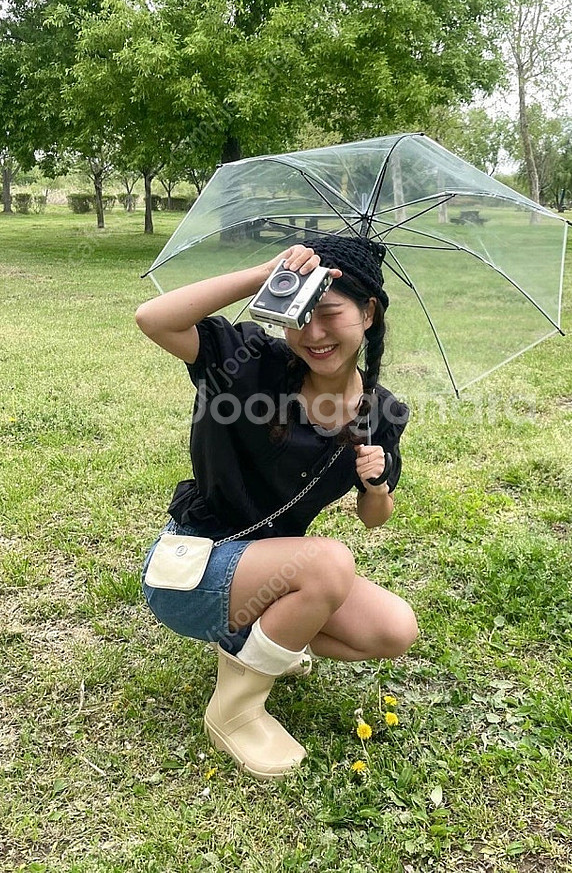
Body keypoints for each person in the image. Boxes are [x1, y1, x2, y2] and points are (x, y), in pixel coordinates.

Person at [134, 234, 418, 780]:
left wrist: (377, 485)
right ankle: (234, 710)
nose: (312, 334)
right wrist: (264, 272)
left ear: (369, 312)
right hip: (194, 568)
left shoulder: (381, 412)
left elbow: (374, 515)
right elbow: (154, 318)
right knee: (329, 560)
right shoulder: (248, 363)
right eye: (299, 313)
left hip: (271, 576)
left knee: (393, 630)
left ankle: (260, 639)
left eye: (330, 313)